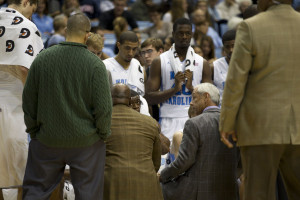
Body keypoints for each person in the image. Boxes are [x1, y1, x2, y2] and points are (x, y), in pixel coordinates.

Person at [22, 13, 112, 200]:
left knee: (35, 192)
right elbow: (103, 109)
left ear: (65, 31)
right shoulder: (96, 65)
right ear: (87, 35)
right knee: (89, 195)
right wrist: (102, 135)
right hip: (86, 142)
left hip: (47, 139)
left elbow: (29, 100)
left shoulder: (42, 59)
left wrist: (34, 131)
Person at [219, 0, 300, 199]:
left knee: (258, 193)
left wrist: (227, 122)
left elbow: (236, 80)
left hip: (260, 128)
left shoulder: (250, 26)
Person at [160, 83, 238, 200]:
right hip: (230, 190)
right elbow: (242, 162)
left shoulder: (194, 123)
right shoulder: (235, 123)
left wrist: (163, 175)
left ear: (206, 97)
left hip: (199, 192)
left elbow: (183, 162)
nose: (191, 102)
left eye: (194, 98)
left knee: (161, 187)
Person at [0, 0, 43, 198]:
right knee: (16, 168)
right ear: (26, 2)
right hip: (14, 102)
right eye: (32, 10)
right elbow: (26, 68)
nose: (31, 15)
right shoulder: (26, 26)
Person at [145, 17, 212, 142]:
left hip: (195, 117)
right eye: (180, 33)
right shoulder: (160, 61)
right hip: (168, 119)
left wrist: (192, 87)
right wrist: (174, 89)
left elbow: (211, 99)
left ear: (192, 35)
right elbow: (149, 97)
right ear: (173, 35)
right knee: (168, 160)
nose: (184, 36)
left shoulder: (202, 63)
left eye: (188, 33)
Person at [104, 84, 163, 200]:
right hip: (147, 184)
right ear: (130, 100)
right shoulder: (150, 122)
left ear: (108, 98)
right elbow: (156, 163)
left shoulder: (101, 122)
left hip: (112, 184)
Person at [103, 31, 146, 96]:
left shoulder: (138, 66)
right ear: (118, 45)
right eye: (127, 48)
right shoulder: (105, 66)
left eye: (134, 49)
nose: (130, 53)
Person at [212, 29, 236, 106]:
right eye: (227, 47)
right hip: (222, 110)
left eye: (233, 46)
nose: (231, 50)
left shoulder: (249, 63)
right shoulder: (215, 66)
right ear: (223, 48)